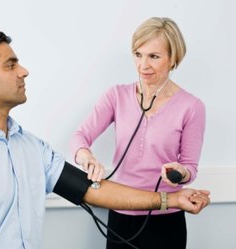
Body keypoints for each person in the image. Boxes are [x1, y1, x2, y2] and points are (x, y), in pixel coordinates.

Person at [0, 30, 210, 249]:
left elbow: (92, 191)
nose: (24, 71)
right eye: (10, 65)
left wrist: (171, 199)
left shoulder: (31, 148)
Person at [70, 17, 206, 249]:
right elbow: (79, 137)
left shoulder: (192, 106)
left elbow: (190, 168)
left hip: (166, 216)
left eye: (154, 56)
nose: (143, 65)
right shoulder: (116, 96)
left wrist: (179, 172)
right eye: (138, 54)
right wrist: (86, 157)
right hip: (121, 214)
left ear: (174, 58)